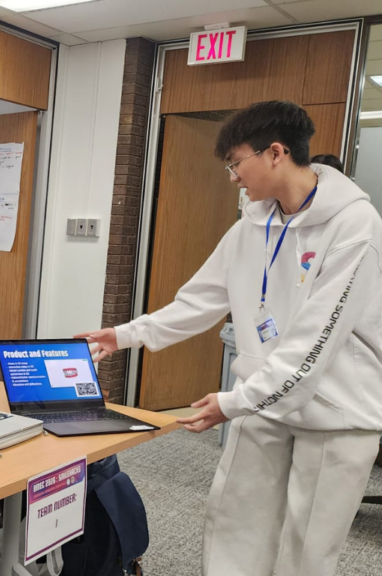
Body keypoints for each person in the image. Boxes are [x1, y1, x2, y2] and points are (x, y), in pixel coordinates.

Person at [78, 100, 382, 576]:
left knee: (307, 546)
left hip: (337, 412)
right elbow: (199, 299)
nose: (234, 177)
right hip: (261, 400)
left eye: (236, 164)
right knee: (235, 521)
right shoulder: (251, 225)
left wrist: (234, 402)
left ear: (276, 153)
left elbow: (313, 344)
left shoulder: (355, 226)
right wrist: (125, 334)